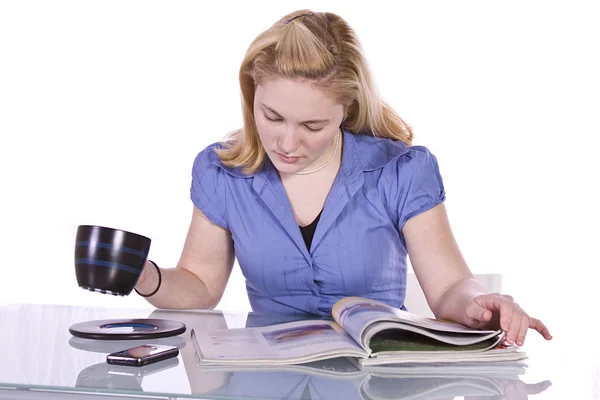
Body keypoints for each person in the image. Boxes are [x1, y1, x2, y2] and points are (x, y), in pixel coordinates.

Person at [134, 9, 552, 347]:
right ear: (251, 93)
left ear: (345, 112)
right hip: (264, 380)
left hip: (375, 380)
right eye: (272, 116)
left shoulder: (401, 171)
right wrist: (143, 274)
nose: (287, 142)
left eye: (312, 126)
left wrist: (479, 304)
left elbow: (449, 288)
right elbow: (200, 285)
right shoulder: (221, 171)